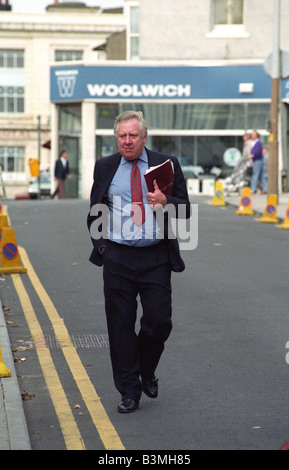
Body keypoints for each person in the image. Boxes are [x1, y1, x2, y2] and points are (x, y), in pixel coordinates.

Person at [87, 111, 190, 413]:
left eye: (133, 135)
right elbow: (95, 210)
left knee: (159, 321)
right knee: (120, 327)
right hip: (117, 256)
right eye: (122, 136)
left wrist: (165, 202)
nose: (127, 141)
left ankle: (146, 369)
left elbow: (185, 210)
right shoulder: (105, 166)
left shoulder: (165, 164)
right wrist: (102, 247)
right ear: (116, 138)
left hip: (155, 256)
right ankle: (129, 390)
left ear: (144, 136)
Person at [249, 130, 267, 194]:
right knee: (262, 175)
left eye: (254, 135)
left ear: (257, 136)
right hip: (257, 160)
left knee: (255, 174)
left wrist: (252, 155)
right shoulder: (252, 142)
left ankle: (253, 189)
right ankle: (265, 188)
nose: (253, 136)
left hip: (258, 160)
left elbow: (257, 151)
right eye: (252, 135)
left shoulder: (258, 142)